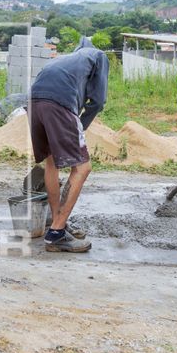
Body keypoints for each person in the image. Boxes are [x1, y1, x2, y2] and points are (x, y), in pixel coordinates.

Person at [28, 36, 109, 252]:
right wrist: (80, 125)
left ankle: (58, 223)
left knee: (51, 163)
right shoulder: (98, 56)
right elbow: (98, 100)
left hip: (33, 103)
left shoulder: (65, 60)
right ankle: (56, 233)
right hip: (58, 104)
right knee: (83, 167)